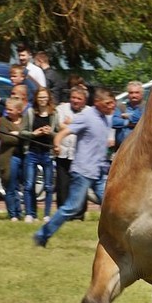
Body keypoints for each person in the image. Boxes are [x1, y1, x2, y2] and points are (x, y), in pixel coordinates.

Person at [33, 88, 116, 247]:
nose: (112, 106)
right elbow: (63, 133)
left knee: (110, 206)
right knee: (72, 207)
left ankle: (115, 242)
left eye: (113, 103)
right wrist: (56, 144)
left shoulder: (106, 118)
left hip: (98, 172)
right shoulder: (86, 116)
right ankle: (42, 235)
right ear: (97, 102)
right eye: (108, 103)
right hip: (83, 171)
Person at [21, 88, 59, 222]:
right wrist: (34, 134)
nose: (42, 100)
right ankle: (30, 214)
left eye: (45, 97)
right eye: (40, 97)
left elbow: (59, 133)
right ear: (36, 99)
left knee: (48, 186)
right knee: (29, 185)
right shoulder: (30, 113)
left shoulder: (54, 114)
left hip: (47, 152)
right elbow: (22, 132)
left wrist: (50, 133)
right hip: (32, 151)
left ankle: (47, 214)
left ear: (48, 98)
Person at [55, 85, 88, 220]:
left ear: (84, 100)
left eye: (79, 98)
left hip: (81, 155)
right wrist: (77, 125)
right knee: (63, 184)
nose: (75, 100)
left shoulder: (90, 112)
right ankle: (63, 213)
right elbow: (59, 125)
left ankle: (79, 214)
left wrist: (71, 123)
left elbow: (86, 128)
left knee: (80, 185)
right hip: (64, 153)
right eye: (73, 97)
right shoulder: (61, 109)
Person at [0, 97, 27, 221]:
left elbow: (31, 136)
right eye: (7, 109)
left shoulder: (26, 121)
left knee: (23, 186)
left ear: (19, 110)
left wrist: (18, 134)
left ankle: (21, 212)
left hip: (24, 157)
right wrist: (22, 136)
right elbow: (5, 138)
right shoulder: (3, 121)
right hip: (10, 157)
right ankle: (13, 214)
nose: (8, 111)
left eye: (11, 109)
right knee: (10, 185)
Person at [112, 80, 144, 146]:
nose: (134, 95)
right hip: (121, 148)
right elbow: (113, 122)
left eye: (137, 92)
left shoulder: (148, 107)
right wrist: (128, 123)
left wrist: (127, 116)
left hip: (140, 149)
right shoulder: (121, 106)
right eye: (131, 93)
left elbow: (141, 119)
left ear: (142, 93)